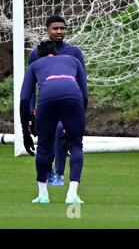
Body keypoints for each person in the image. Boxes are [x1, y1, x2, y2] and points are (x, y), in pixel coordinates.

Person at [20, 40, 88, 204]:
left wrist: (25, 130)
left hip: (47, 96)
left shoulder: (35, 65)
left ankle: (43, 194)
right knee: (76, 145)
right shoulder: (73, 60)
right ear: (56, 54)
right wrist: (78, 119)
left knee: (43, 146)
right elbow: (84, 94)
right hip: (73, 96)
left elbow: (24, 98)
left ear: (40, 56)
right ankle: (72, 194)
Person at [28, 15, 86, 186]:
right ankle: (48, 171)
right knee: (47, 138)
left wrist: (82, 110)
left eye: (62, 28)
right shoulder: (37, 53)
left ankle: (59, 174)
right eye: (55, 28)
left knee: (62, 132)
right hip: (47, 103)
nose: (59, 31)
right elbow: (30, 86)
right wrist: (31, 111)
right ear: (47, 30)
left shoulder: (74, 52)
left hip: (70, 103)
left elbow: (82, 83)